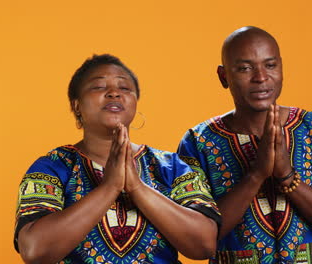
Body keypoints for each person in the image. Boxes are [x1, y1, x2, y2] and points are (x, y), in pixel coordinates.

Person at [177, 26, 312, 264]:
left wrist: (287, 176)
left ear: (281, 68)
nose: (261, 77)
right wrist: (256, 174)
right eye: (245, 68)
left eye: (270, 65)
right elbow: (195, 240)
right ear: (224, 76)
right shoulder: (199, 141)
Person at [14, 54, 220, 264]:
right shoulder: (54, 167)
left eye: (125, 88)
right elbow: (34, 251)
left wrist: (137, 188)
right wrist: (109, 187)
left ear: (135, 103)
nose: (114, 93)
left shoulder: (171, 166)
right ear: (76, 106)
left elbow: (205, 245)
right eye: (98, 87)